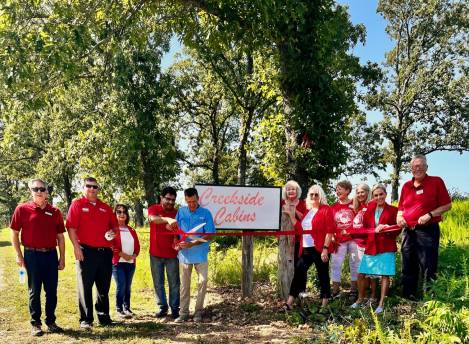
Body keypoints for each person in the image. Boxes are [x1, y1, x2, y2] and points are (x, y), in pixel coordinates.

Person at [10, 179, 66, 336]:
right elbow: (14, 233)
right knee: (34, 290)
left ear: (47, 191)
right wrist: (19, 255)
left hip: (50, 255)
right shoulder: (22, 209)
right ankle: (35, 323)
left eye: (42, 189)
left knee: (51, 291)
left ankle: (51, 321)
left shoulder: (55, 212)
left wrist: (62, 258)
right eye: (36, 189)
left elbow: (60, 237)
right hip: (31, 255)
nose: (39, 191)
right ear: (31, 191)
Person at [66, 177, 118, 329]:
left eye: (95, 186)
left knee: (103, 287)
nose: (92, 189)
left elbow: (114, 226)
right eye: (88, 186)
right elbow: (71, 228)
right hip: (86, 251)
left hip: (104, 252)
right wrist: (76, 247)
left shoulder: (105, 207)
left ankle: (104, 317)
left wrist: (113, 232)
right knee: (85, 286)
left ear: (98, 188)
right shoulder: (77, 204)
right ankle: (86, 319)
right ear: (83, 187)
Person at [397, 154, 452, 299]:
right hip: (408, 231)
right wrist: (399, 217)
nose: (418, 168)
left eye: (421, 165)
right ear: (411, 169)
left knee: (428, 264)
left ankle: (430, 298)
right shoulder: (406, 186)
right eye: (415, 166)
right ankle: (409, 296)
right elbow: (400, 208)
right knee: (407, 263)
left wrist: (430, 214)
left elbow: (447, 205)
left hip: (428, 231)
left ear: (427, 167)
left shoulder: (436, 181)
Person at [283, 185, 335, 311]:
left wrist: (325, 249)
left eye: (316, 194)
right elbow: (300, 229)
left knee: (323, 275)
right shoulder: (308, 211)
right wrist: (291, 215)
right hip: (306, 248)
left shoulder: (326, 209)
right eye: (311, 194)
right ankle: (289, 303)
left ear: (321, 196)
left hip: (319, 248)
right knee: (299, 273)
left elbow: (330, 231)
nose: (313, 197)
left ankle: (324, 303)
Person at [350, 184, 399, 314]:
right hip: (371, 246)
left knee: (384, 275)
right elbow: (365, 228)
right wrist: (349, 233)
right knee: (361, 274)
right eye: (376, 195)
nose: (378, 197)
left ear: (386, 194)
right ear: (373, 197)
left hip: (386, 246)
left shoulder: (394, 210)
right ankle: (360, 299)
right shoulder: (369, 211)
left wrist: (387, 227)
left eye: (381, 194)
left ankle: (381, 303)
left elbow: (398, 229)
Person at [172, 187, 216, 323]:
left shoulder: (206, 213)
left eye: (194, 201)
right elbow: (175, 231)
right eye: (189, 201)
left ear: (198, 199)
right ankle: (184, 313)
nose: (191, 204)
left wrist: (193, 244)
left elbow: (209, 235)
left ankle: (198, 313)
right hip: (184, 256)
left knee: (202, 282)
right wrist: (176, 243)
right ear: (185, 200)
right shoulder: (181, 211)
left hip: (201, 255)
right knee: (184, 285)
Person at [148, 186, 180, 320]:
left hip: (172, 255)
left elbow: (180, 232)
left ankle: (175, 309)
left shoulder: (178, 212)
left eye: (173, 200)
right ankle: (162, 307)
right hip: (155, 253)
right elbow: (152, 219)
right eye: (168, 199)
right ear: (161, 197)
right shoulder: (154, 208)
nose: (170, 202)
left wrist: (176, 236)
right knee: (158, 282)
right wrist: (168, 219)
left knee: (174, 283)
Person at [330, 180, 359, 298]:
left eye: (340, 189)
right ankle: (335, 290)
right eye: (336, 189)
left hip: (353, 239)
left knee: (355, 264)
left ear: (347, 190)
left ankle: (354, 290)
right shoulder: (334, 207)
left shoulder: (355, 204)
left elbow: (360, 219)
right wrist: (332, 237)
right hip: (338, 240)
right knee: (336, 264)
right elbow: (331, 224)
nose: (337, 191)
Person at [112, 204, 140, 318]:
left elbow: (137, 246)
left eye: (124, 212)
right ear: (115, 214)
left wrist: (133, 256)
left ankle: (127, 308)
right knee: (121, 285)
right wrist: (123, 255)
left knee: (128, 286)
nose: (122, 214)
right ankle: (119, 309)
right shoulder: (112, 229)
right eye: (119, 212)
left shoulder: (131, 230)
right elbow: (111, 246)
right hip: (118, 263)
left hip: (130, 263)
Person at [351, 183, 377, 304]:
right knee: (362, 273)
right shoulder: (358, 207)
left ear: (368, 192)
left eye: (362, 192)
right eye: (358, 192)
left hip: (370, 244)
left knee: (371, 272)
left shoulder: (372, 204)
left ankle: (372, 297)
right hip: (359, 244)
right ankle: (362, 297)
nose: (360, 194)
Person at [281, 180, 307, 262]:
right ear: (285, 192)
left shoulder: (303, 203)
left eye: (293, 189)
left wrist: (294, 209)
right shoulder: (281, 203)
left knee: (298, 264)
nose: (291, 191)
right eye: (288, 189)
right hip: (284, 238)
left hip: (299, 238)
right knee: (285, 262)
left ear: (297, 191)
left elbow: (305, 219)